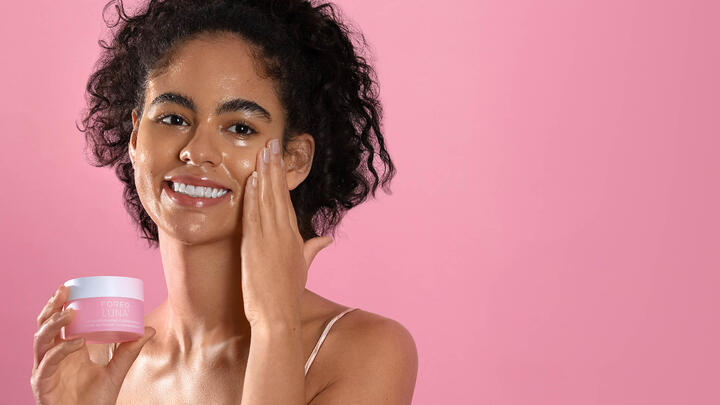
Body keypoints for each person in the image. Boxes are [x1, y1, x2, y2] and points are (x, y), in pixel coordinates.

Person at [30, 0, 418, 404]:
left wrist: (275, 325)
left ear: (293, 159)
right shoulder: (104, 365)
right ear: (133, 136)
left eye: (240, 127)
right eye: (173, 118)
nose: (197, 152)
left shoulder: (365, 351)